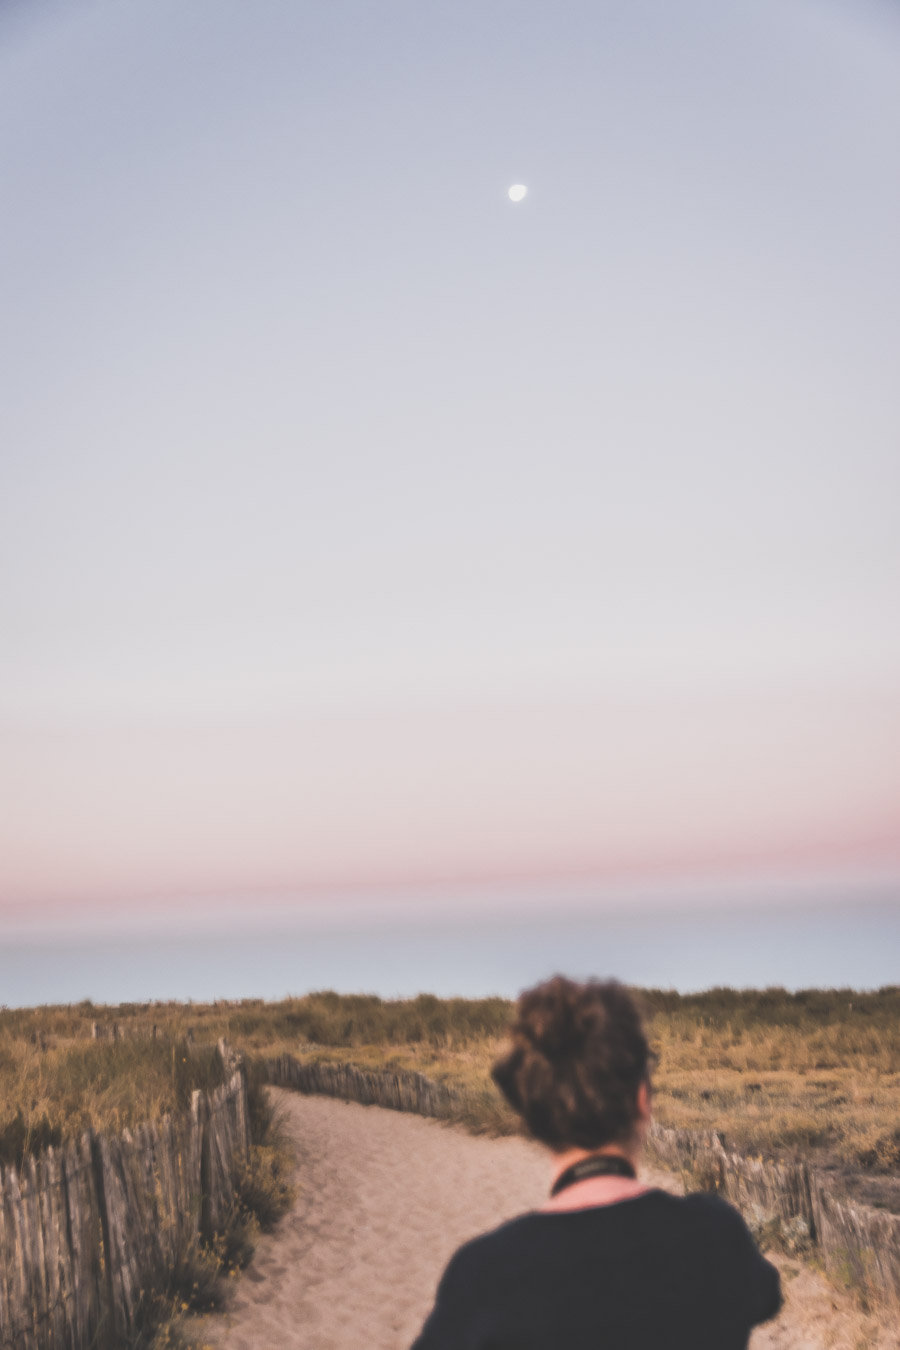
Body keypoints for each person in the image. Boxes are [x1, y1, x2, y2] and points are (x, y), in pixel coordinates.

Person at [411, 975, 781, 1349]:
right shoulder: (715, 1234)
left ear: (534, 1115)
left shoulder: (485, 1275)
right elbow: (766, 1296)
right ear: (642, 1100)